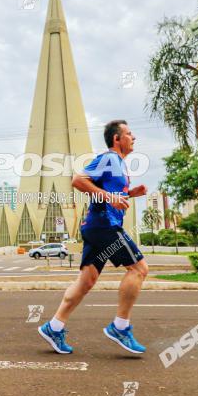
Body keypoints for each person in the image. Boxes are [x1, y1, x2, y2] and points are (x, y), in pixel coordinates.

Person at [38, 119, 148, 354]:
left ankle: (54, 327)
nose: (133, 137)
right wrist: (110, 198)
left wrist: (130, 193)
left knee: (86, 281)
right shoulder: (109, 158)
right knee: (138, 269)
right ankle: (120, 326)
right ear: (116, 139)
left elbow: (111, 193)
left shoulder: (119, 165)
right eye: (129, 134)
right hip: (104, 226)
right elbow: (78, 180)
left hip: (96, 227)